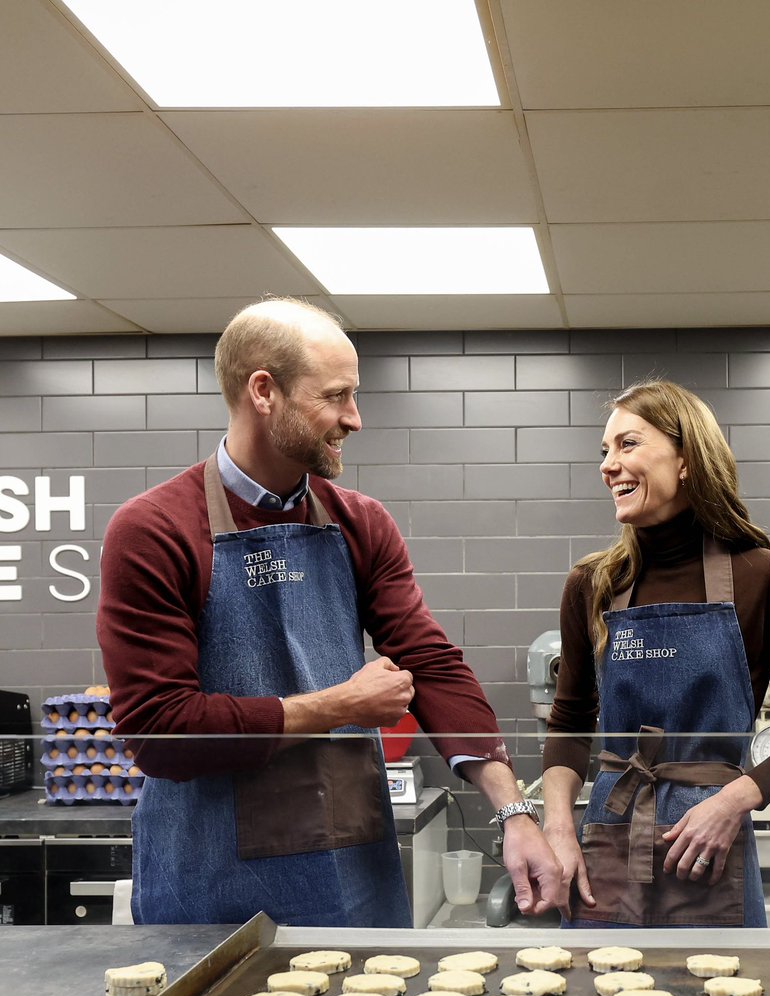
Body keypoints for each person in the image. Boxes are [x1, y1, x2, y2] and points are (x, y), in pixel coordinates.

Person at [97, 296, 561, 927]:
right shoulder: (155, 529)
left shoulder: (360, 522)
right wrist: (338, 707)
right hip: (210, 877)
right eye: (337, 395)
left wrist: (512, 811)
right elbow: (159, 730)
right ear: (264, 392)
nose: (356, 418)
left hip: (347, 862)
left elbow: (428, 661)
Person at [541, 380, 770, 928]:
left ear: (686, 459)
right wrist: (558, 828)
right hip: (610, 827)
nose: (609, 465)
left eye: (628, 445)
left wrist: (734, 802)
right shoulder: (592, 583)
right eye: (604, 451)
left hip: (708, 841)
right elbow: (570, 722)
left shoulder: (764, 576)